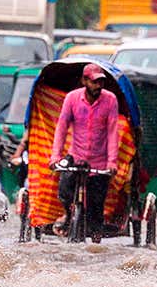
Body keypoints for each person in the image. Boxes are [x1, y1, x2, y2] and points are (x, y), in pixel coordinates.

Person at [49, 63, 119, 241]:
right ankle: (68, 215)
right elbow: (62, 127)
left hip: (99, 161)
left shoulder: (110, 99)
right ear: (84, 81)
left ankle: (95, 239)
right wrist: (55, 156)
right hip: (76, 156)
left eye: (100, 82)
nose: (98, 86)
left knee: (96, 206)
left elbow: (112, 131)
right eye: (94, 82)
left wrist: (112, 162)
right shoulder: (72, 98)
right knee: (64, 191)